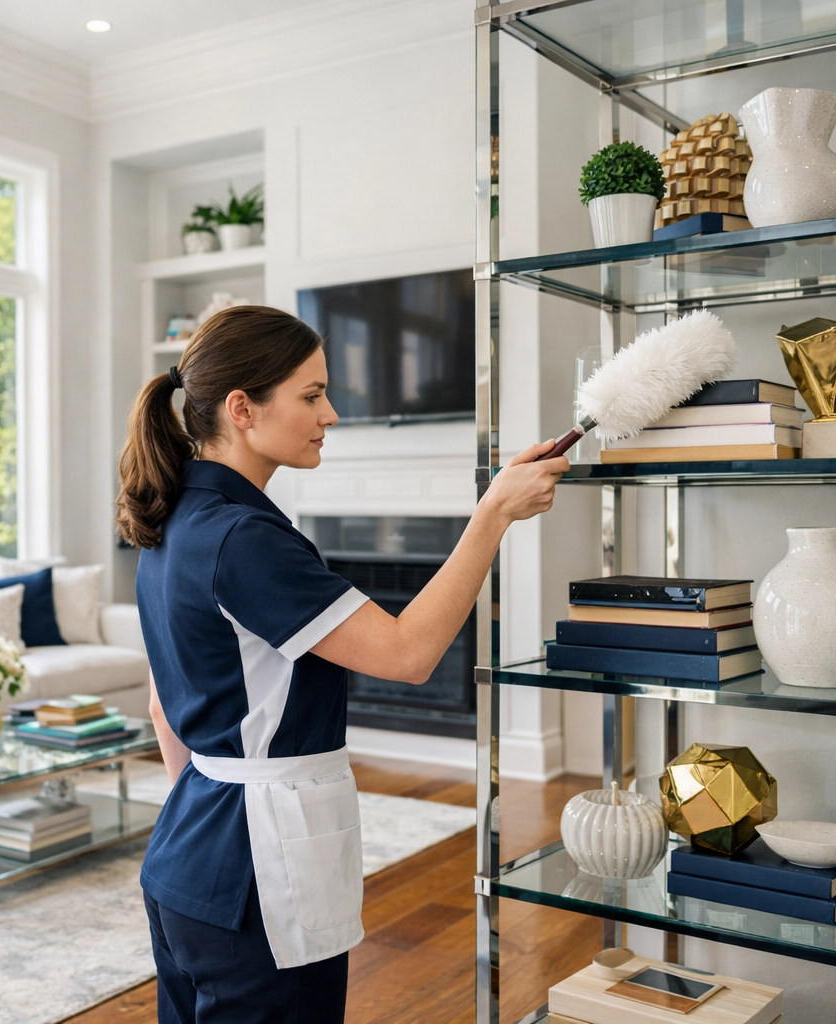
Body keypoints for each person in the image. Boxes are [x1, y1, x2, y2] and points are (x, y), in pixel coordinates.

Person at [116, 305, 569, 1024]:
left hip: (186, 861)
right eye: (310, 395)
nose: (330, 414)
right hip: (257, 881)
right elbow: (409, 654)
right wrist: (493, 516)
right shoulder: (244, 538)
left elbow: (161, 707)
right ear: (242, 408)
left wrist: (208, 826)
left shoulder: (170, 518)